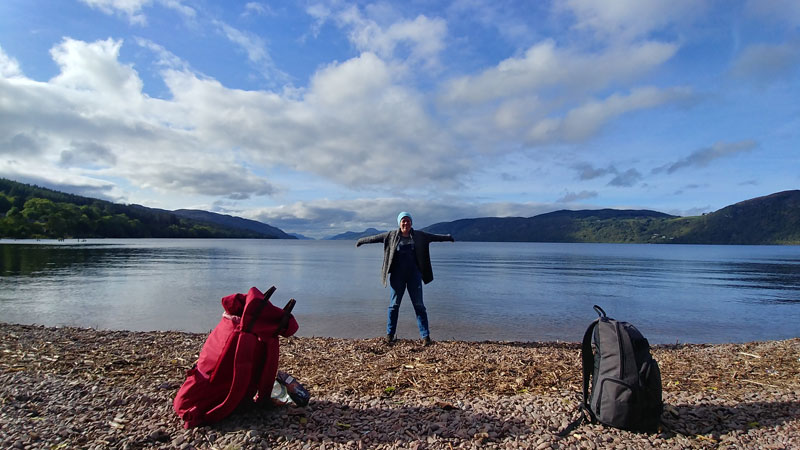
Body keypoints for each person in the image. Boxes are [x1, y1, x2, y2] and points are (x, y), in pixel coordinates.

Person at [356, 212, 455, 346]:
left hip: (414, 275)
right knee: (394, 306)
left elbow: (435, 237)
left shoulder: (420, 236)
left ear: (411, 223)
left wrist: (448, 237)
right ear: (399, 223)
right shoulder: (391, 236)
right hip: (397, 276)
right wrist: (361, 241)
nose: (406, 223)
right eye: (403, 221)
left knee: (419, 306)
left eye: (408, 221)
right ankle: (390, 335)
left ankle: (426, 337)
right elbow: (374, 238)